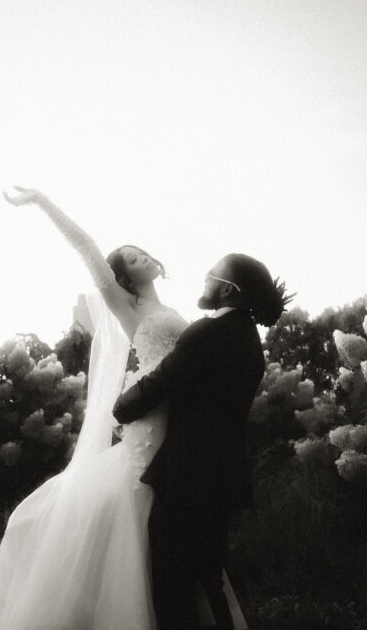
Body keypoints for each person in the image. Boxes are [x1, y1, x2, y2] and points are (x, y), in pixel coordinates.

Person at [0, 186, 249, 630]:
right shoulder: (127, 305)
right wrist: (43, 202)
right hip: (151, 420)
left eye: (141, 250)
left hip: (178, 421)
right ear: (121, 274)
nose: (140, 256)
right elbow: (86, 248)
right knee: (137, 507)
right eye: (130, 256)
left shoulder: (176, 309)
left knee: (169, 521)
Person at [113, 253, 294, 630]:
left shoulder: (207, 334)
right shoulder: (249, 341)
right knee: (208, 581)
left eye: (211, 275)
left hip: (188, 476)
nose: (205, 280)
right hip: (223, 479)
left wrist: (119, 409)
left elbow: (159, 382)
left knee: (170, 583)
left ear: (228, 289)